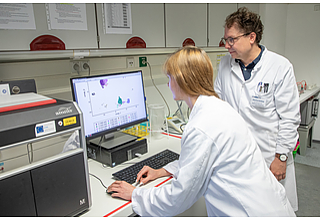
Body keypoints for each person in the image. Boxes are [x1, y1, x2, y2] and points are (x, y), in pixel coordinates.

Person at [108, 46, 295, 217]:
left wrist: (136, 194)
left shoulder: (202, 126)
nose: (168, 84)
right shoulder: (219, 108)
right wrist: (163, 171)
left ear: (182, 79)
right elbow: (201, 162)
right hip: (266, 205)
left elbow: (179, 197)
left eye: (169, 78)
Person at [214, 7, 300, 211]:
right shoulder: (226, 64)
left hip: (269, 157)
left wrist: (281, 158)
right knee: (243, 210)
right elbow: (217, 104)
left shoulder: (280, 67)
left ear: (251, 37)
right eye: (225, 39)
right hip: (236, 158)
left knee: (273, 210)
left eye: (232, 39)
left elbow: (289, 118)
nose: (227, 45)